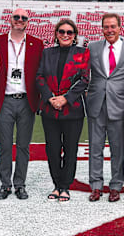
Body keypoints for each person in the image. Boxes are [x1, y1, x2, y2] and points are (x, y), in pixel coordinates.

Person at [0, 9, 43, 200]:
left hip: (26, 101)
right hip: (4, 100)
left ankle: (20, 184)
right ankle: (5, 185)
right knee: (4, 146)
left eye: (23, 18)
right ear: (9, 20)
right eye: (16, 17)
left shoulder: (37, 44)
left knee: (23, 146)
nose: (20, 20)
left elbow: (40, 73)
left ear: (28, 22)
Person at [36, 19, 90, 202]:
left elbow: (84, 79)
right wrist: (50, 97)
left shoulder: (82, 53)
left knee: (70, 149)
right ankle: (56, 184)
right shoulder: (47, 53)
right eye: (61, 31)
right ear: (56, 33)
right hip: (49, 108)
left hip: (72, 109)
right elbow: (40, 76)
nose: (65, 35)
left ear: (74, 35)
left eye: (69, 32)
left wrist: (65, 98)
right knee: (52, 149)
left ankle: (65, 186)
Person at [87, 13, 124, 202]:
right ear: (102, 29)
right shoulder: (92, 47)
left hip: (120, 105)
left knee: (118, 149)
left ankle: (115, 185)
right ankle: (96, 185)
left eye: (113, 26)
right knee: (95, 148)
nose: (109, 30)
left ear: (120, 28)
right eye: (106, 27)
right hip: (96, 103)